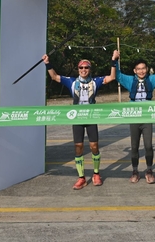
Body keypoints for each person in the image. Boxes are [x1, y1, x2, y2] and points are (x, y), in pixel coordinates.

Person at [43, 50, 119, 190]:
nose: (83, 70)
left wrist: (114, 61)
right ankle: (81, 177)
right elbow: (54, 77)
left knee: (94, 146)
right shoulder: (72, 81)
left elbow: (112, 77)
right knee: (78, 147)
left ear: (90, 69)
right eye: (81, 67)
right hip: (77, 118)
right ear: (78, 69)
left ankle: (96, 174)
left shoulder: (95, 82)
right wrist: (48, 63)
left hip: (91, 118)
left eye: (86, 67)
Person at [115, 50, 155, 184]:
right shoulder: (130, 80)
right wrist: (115, 60)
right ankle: (135, 171)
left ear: (147, 69)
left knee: (148, 146)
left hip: (147, 118)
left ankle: (149, 170)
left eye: (143, 68)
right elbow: (117, 75)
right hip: (134, 117)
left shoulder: (151, 80)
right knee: (134, 146)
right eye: (139, 69)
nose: (141, 71)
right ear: (134, 71)